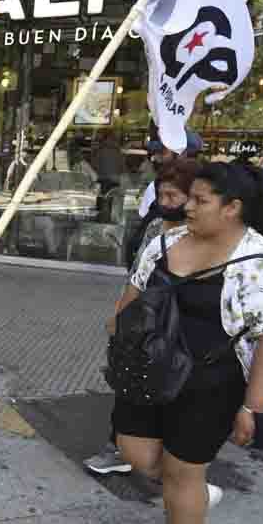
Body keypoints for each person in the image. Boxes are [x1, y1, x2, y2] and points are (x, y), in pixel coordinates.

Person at [112, 162, 263, 524]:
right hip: (148, 369)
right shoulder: (166, 241)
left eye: (200, 200)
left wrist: (255, 406)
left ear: (232, 208)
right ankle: (194, 496)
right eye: (189, 198)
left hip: (209, 384)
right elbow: (135, 290)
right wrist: (118, 331)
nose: (188, 208)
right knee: (134, 450)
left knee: (184, 470)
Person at [86, 158, 202, 475]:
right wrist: (120, 317)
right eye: (161, 195)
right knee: (130, 386)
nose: (164, 204)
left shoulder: (201, 237)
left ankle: (173, 468)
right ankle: (120, 447)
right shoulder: (155, 226)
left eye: (171, 197)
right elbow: (136, 276)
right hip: (143, 324)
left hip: (177, 330)